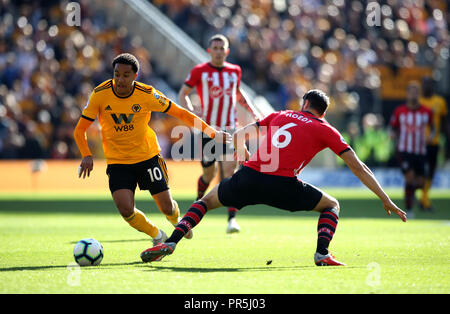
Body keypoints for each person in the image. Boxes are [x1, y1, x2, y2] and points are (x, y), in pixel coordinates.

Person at [141, 89, 407, 266]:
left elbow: (241, 132)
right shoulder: (326, 129)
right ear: (322, 112)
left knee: (206, 202)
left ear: (304, 104)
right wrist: (386, 199)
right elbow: (359, 167)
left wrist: (242, 151)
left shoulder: (280, 114)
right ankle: (322, 253)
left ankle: (172, 242)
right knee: (331, 205)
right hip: (283, 186)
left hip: (250, 176)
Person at [73, 53, 231, 251]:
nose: (120, 80)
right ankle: (157, 235)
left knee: (166, 207)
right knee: (125, 209)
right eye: (116, 74)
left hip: (147, 157)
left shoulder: (147, 94)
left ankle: (176, 220)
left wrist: (212, 132)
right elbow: (80, 130)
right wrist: (86, 154)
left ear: (135, 76)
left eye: (125, 75)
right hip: (118, 161)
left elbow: (180, 112)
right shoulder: (100, 94)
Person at [178, 34, 260, 234]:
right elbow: (183, 94)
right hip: (209, 130)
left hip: (231, 129)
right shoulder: (200, 71)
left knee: (229, 172)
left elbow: (239, 94)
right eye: (215, 47)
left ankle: (232, 219)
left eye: (221, 47)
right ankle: (197, 205)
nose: (218, 50)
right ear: (209, 50)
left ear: (227, 51)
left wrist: (253, 111)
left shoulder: (235, 71)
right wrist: (192, 114)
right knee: (209, 173)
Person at [390, 81, 434, 218]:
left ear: (419, 94)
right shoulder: (399, 111)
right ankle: (409, 209)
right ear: (407, 94)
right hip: (404, 150)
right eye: (411, 91)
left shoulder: (427, 111)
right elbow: (392, 127)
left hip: (420, 151)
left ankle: (411, 195)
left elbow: (433, 128)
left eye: (416, 91)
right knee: (409, 178)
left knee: (420, 182)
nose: (414, 94)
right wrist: (392, 135)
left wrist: (431, 137)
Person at [418, 77, 448, 211]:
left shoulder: (440, 102)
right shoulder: (417, 101)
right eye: (425, 84)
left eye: (429, 84)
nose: (427, 87)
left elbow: (445, 121)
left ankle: (424, 198)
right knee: (418, 172)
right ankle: (420, 198)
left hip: (433, 142)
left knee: (430, 171)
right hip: (417, 143)